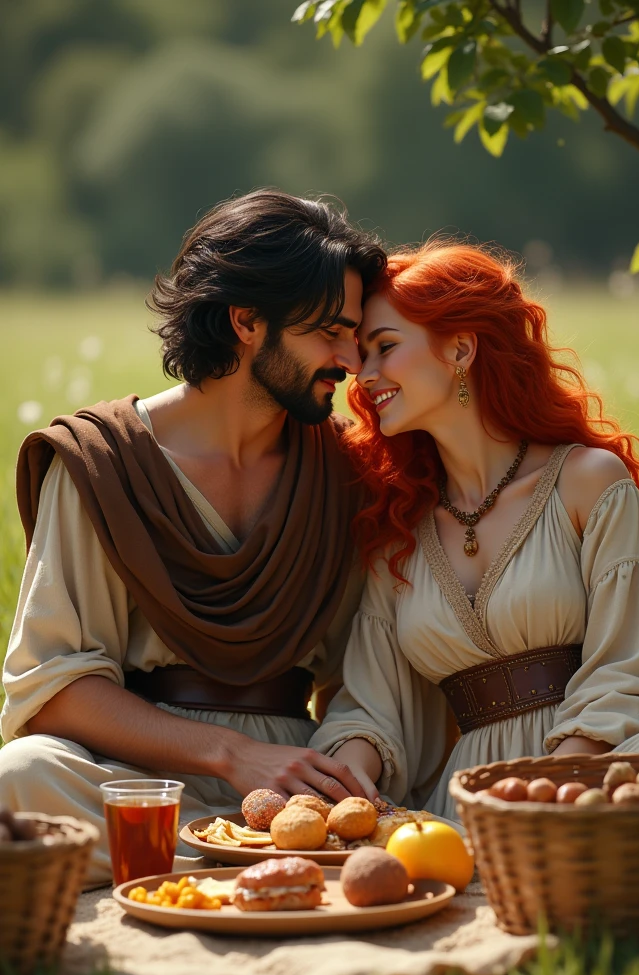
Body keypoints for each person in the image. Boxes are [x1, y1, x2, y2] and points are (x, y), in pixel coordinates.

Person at [0, 189, 386, 884]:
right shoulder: (102, 464)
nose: (351, 358)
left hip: (296, 782)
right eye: (329, 332)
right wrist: (232, 754)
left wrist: (347, 772)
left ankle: (203, 865)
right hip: (137, 775)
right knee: (20, 778)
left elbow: (367, 680)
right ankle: (258, 869)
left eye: (354, 333)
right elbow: (51, 686)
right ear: (245, 322)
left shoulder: (347, 473)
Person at [309, 241, 639, 818]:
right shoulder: (397, 532)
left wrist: (552, 789)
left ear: (460, 348)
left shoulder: (586, 483)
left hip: (596, 778)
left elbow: (632, 669)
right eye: (363, 356)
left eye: (385, 347)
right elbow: (371, 705)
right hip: (469, 800)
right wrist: (350, 779)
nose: (365, 375)